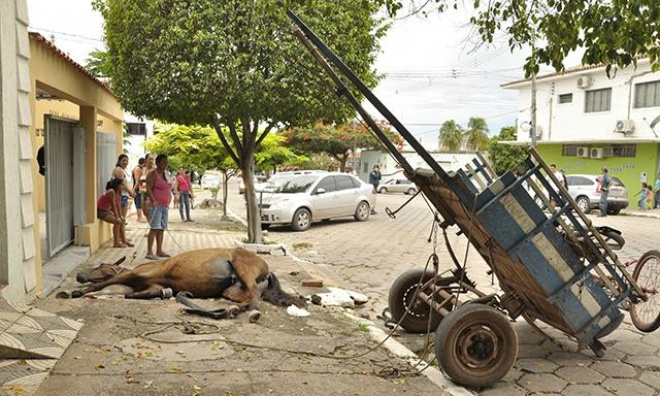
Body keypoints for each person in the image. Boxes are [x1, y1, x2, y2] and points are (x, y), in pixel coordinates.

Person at [145, 154, 172, 260]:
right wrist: (153, 200)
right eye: (164, 162)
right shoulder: (153, 174)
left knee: (161, 228)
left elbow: (169, 186)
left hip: (165, 206)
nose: (166, 164)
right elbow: (148, 188)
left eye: (166, 162)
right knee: (154, 228)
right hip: (155, 206)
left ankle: (159, 250)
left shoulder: (166, 174)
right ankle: (149, 251)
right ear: (158, 163)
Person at [97, 178, 133, 248]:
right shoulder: (111, 192)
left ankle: (124, 240)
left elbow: (118, 205)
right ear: (117, 185)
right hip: (101, 211)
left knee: (122, 220)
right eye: (122, 185)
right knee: (117, 221)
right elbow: (113, 206)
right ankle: (116, 242)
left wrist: (120, 216)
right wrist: (117, 217)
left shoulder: (118, 193)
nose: (123, 186)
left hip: (107, 211)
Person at [112, 154, 135, 221]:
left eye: (126, 161)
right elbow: (121, 183)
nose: (125, 162)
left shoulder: (125, 170)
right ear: (119, 161)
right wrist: (130, 191)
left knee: (122, 218)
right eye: (123, 160)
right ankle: (121, 231)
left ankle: (122, 231)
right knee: (120, 219)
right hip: (120, 196)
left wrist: (131, 191)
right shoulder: (119, 170)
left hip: (124, 196)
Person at [139, 153, 155, 220]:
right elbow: (139, 181)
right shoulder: (143, 169)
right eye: (150, 159)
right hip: (143, 193)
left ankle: (154, 228)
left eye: (152, 159)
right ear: (146, 160)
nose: (151, 161)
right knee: (145, 212)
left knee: (151, 212)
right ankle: (153, 227)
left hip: (152, 194)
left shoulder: (155, 170)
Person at [132, 158, 146, 222]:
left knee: (140, 202)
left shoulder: (140, 168)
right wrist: (133, 190)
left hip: (139, 188)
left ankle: (140, 217)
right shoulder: (138, 169)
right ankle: (139, 217)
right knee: (138, 202)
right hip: (137, 188)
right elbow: (137, 180)